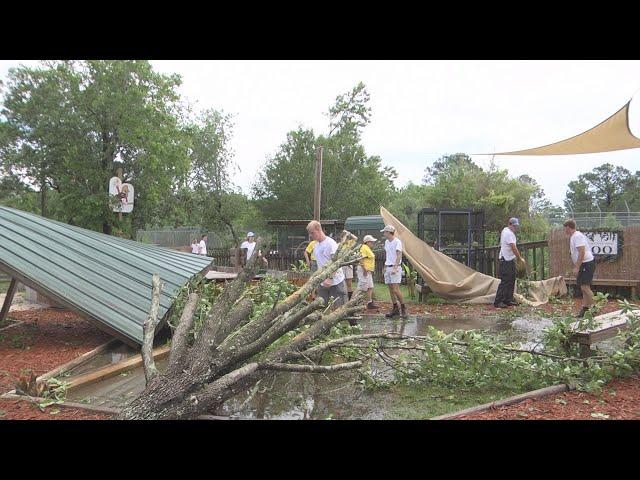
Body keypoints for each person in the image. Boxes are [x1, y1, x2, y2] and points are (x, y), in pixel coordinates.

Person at [306, 220, 349, 313]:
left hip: (336, 281)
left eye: (312, 233)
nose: (311, 235)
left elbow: (336, 262)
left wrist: (330, 277)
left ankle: (352, 324)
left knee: (341, 308)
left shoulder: (330, 243)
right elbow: (320, 264)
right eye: (310, 233)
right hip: (323, 281)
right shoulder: (316, 245)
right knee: (320, 306)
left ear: (318, 230)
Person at [564, 219, 596, 318]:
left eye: (565, 228)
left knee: (585, 287)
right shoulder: (574, 236)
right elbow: (577, 251)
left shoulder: (577, 236)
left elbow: (582, 252)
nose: (565, 231)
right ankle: (585, 309)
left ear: (569, 227)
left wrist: (577, 267)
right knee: (583, 287)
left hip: (587, 264)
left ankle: (594, 308)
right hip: (583, 264)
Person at [494, 218, 524, 308]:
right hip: (506, 260)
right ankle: (498, 301)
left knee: (511, 280)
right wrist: (519, 258)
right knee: (505, 281)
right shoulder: (508, 233)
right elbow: (513, 247)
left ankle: (508, 299)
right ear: (509, 224)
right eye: (514, 226)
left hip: (510, 260)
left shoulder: (507, 231)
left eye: (516, 226)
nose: (515, 227)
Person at [381, 225, 407, 319]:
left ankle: (403, 307)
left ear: (388, 232)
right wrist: (384, 266)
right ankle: (395, 308)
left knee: (395, 289)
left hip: (395, 267)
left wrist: (395, 267)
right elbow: (388, 255)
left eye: (384, 232)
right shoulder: (387, 242)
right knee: (390, 289)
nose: (383, 234)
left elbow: (399, 254)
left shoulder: (397, 242)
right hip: (388, 266)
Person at [357, 235, 379, 310]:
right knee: (361, 288)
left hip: (367, 271)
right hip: (364, 270)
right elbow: (361, 259)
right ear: (367, 242)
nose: (373, 243)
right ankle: (353, 303)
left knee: (370, 287)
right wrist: (364, 269)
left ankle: (369, 303)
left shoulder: (367, 248)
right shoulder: (364, 248)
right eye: (372, 242)